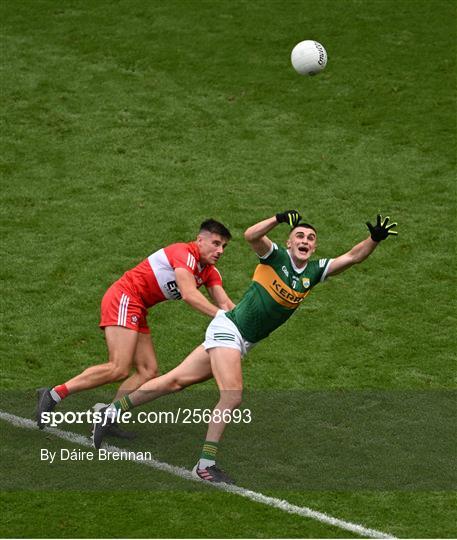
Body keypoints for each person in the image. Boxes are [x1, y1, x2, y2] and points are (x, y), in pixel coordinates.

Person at [92, 211, 398, 481]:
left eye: (311, 238)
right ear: (290, 243)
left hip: (242, 339)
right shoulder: (275, 256)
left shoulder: (315, 272)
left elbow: (354, 256)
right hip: (230, 329)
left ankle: (110, 411)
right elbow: (252, 235)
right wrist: (278, 219)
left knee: (174, 381)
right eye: (299, 236)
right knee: (232, 395)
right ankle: (205, 464)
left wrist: (373, 239)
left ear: (315, 247)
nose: (305, 240)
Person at [36, 219, 235, 438]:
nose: (220, 251)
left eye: (224, 247)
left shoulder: (209, 272)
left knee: (148, 371)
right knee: (118, 368)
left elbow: (225, 304)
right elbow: (189, 294)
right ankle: (54, 394)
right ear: (199, 240)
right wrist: (220, 315)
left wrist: (245, 321)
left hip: (138, 307)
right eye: (215, 243)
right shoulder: (184, 253)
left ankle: (108, 415)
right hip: (124, 298)